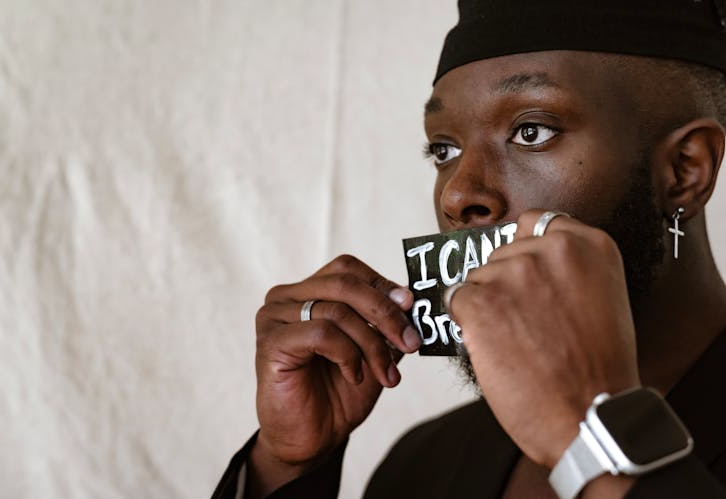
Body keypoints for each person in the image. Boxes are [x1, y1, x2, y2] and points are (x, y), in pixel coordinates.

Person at [213, 1, 726, 497]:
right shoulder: (425, 463)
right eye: (444, 150)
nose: (458, 194)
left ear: (685, 171)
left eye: (531, 131)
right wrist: (284, 468)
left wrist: (593, 441)